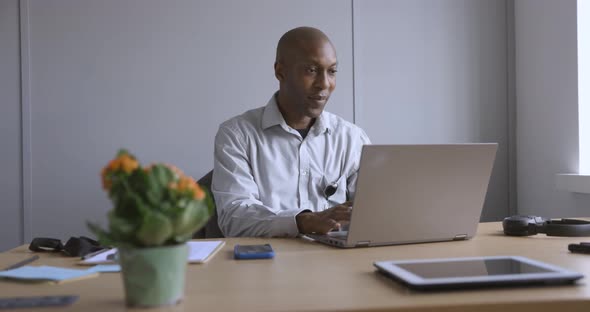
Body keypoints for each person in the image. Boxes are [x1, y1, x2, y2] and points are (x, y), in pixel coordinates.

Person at [211, 26, 370, 237]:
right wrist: (302, 221)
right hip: (266, 264)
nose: (324, 84)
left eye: (331, 71)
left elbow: (373, 214)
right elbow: (234, 218)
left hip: (338, 263)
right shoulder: (237, 135)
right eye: (311, 70)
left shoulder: (352, 138)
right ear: (280, 72)